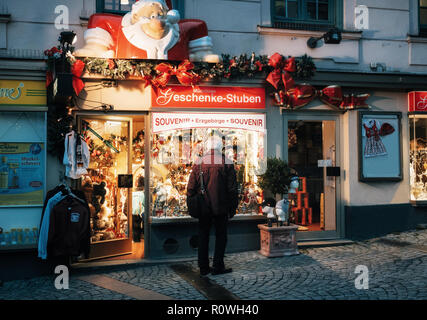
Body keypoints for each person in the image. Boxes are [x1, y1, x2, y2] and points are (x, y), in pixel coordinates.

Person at [187, 135, 239, 276]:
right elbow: (233, 190)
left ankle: (203, 267)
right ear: (219, 147)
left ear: (207, 147)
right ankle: (218, 266)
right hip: (221, 207)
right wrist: (232, 209)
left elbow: (190, 189)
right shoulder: (226, 163)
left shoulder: (198, 163)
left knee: (203, 235)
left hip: (204, 207)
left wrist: (194, 203)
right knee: (221, 236)